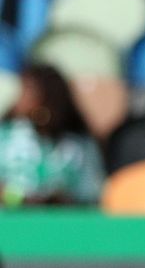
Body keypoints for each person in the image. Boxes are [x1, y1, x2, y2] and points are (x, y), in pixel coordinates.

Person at [0, 64, 104, 206]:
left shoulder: (79, 145)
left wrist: (62, 199)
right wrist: (20, 198)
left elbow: (92, 192)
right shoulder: (5, 137)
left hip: (63, 223)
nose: (20, 96)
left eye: (28, 90)